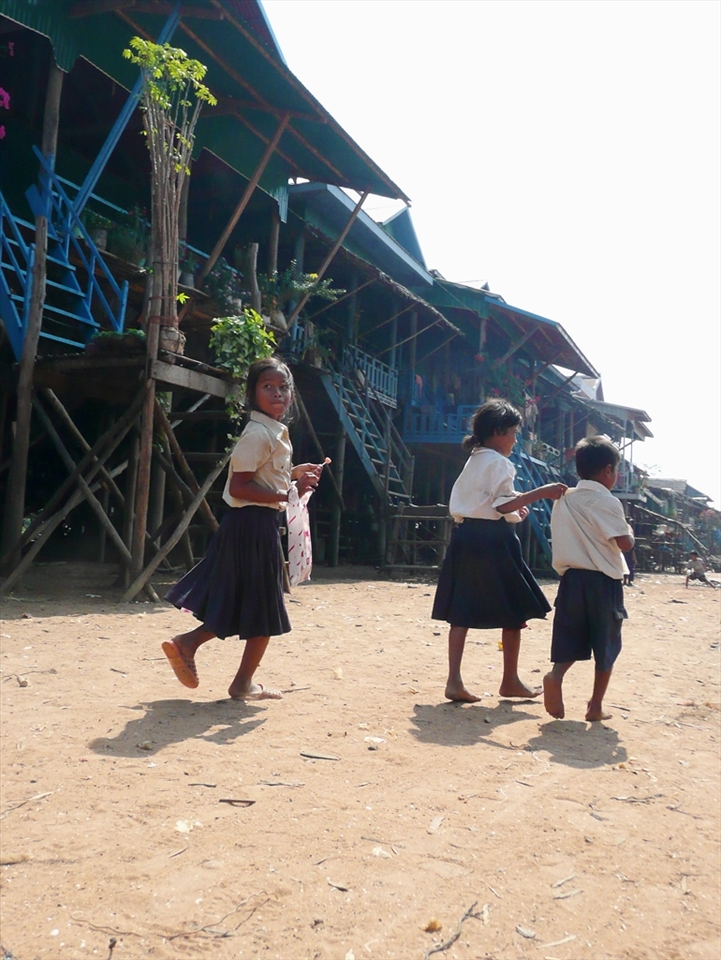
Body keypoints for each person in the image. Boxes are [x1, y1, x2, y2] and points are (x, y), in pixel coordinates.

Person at [162, 357, 327, 701]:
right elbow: (238, 487)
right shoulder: (257, 434)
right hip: (252, 524)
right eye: (268, 387)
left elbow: (263, 475)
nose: (278, 393)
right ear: (253, 393)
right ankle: (238, 681)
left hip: (253, 524)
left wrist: (294, 474)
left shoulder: (273, 432)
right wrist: (288, 493)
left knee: (245, 603)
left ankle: (191, 645)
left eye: (284, 387)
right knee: (265, 610)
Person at [431, 398, 567, 703]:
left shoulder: (475, 459)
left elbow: (491, 503)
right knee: (514, 610)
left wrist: (513, 511)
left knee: (460, 611)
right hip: (494, 541)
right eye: (513, 433)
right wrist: (540, 493)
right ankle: (510, 680)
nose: (516, 439)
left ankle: (454, 680)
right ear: (497, 433)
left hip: (466, 536)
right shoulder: (500, 463)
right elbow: (502, 504)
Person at [543, 436, 634, 722]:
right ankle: (595, 706)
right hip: (602, 581)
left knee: (571, 636)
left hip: (571, 579)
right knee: (606, 644)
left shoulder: (565, 498)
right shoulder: (606, 501)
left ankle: (555, 675)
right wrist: (629, 532)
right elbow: (623, 543)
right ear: (608, 470)